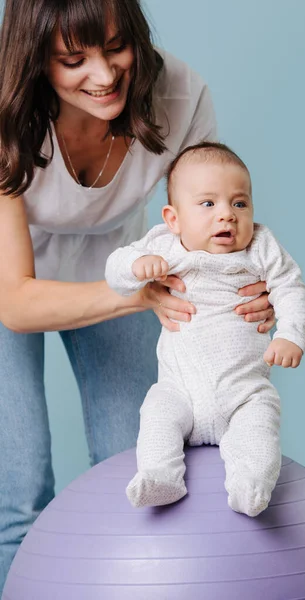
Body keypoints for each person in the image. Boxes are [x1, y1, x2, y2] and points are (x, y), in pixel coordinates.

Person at [0, 0, 275, 593]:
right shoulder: (3, 112)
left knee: (141, 471)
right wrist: (138, 295)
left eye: (117, 47)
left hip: (119, 263)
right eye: (72, 59)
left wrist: (254, 291)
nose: (102, 76)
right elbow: (16, 305)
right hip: (9, 285)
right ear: (33, 59)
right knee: (18, 499)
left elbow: (209, 228)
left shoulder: (179, 95)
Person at [105, 142, 305, 517]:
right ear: (173, 219)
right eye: (208, 204)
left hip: (244, 391)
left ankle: (251, 484)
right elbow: (115, 269)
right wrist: (137, 267)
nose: (227, 216)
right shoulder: (163, 246)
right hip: (179, 389)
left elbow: (290, 287)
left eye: (239, 203)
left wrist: (290, 335)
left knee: (260, 424)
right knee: (156, 412)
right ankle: (160, 476)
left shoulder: (261, 246)